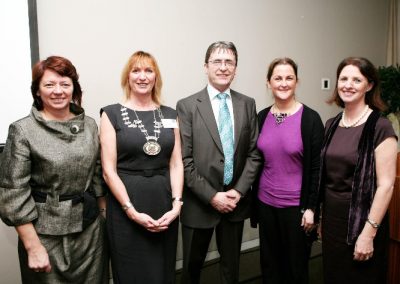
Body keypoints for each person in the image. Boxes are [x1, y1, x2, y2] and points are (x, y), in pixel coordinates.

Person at [0, 56, 108, 283]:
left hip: (90, 232)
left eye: (65, 84)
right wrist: (33, 246)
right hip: (45, 235)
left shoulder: (88, 124)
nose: (58, 91)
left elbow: (97, 173)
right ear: (37, 91)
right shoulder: (22, 130)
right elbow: (13, 192)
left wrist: (103, 215)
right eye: (49, 85)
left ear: (73, 89)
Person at [176, 41, 261, 284]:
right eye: (217, 61)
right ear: (206, 66)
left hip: (235, 203)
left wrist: (238, 191)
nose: (223, 67)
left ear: (236, 69)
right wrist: (213, 196)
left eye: (229, 62)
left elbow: (254, 153)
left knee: (230, 270)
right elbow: (185, 159)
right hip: (199, 203)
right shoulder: (187, 106)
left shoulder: (247, 103)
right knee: (191, 271)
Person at [100, 51, 183, 284]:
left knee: (162, 271)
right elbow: (108, 170)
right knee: (130, 273)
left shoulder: (169, 114)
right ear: (127, 77)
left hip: (164, 204)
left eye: (148, 70)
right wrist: (131, 211)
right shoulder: (111, 114)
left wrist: (177, 205)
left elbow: (176, 163)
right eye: (136, 70)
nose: (142, 76)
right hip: (126, 205)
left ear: (156, 77)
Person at [319, 57, 397, 283]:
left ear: (369, 85)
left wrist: (368, 233)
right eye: (343, 78)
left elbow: (386, 186)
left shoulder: (381, 126)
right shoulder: (331, 124)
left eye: (356, 79)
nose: (348, 85)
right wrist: (323, 218)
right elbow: (327, 178)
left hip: (363, 222)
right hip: (333, 222)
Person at [250, 57, 324, 283]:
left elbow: (317, 169)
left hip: (296, 209)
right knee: (270, 266)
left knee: (295, 269)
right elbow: (255, 159)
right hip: (266, 204)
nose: (283, 83)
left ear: (297, 82)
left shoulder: (310, 119)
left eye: (289, 78)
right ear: (268, 83)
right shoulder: (262, 117)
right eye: (278, 78)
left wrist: (312, 208)